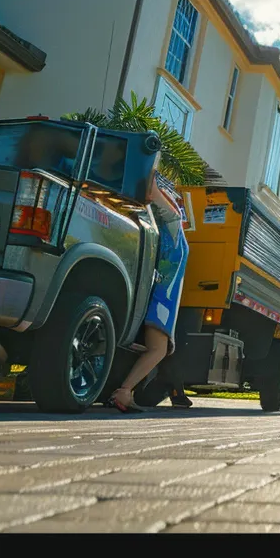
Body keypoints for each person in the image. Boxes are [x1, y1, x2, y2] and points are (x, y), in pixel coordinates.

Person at [108, 172, 189, 413]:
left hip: (161, 297)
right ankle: (124, 391)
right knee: (158, 349)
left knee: (157, 349)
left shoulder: (168, 234)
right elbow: (153, 193)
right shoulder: (172, 229)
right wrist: (151, 173)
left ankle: (124, 390)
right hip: (162, 299)